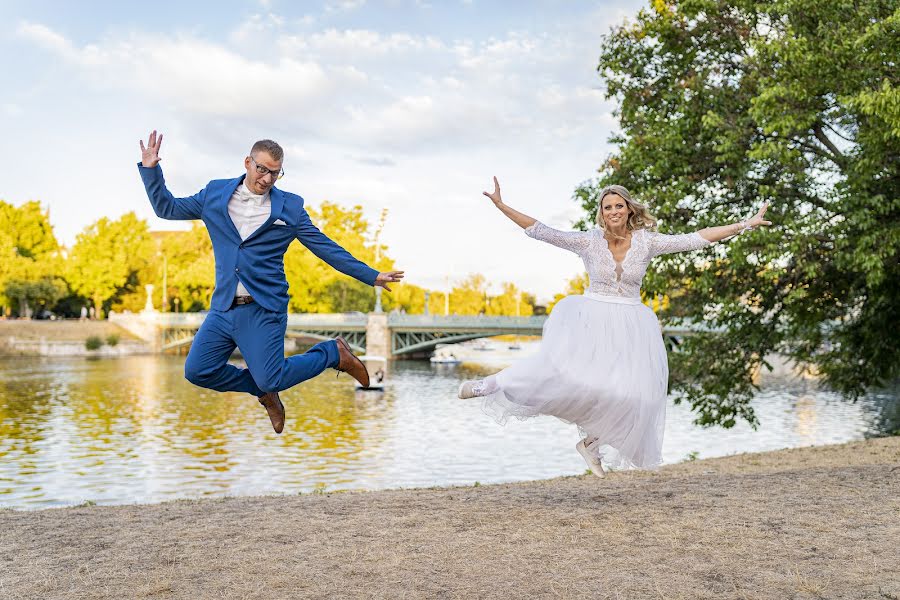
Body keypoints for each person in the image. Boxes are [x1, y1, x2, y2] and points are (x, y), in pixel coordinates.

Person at [458, 178, 771, 477]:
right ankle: (491, 385)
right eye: (607, 207)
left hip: (632, 322)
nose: (614, 211)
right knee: (562, 373)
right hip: (591, 317)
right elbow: (540, 230)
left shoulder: (647, 243)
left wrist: (745, 224)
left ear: (629, 209)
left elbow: (695, 239)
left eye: (619, 205)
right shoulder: (587, 241)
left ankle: (591, 444)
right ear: (602, 213)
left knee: (640, 398)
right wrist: (501, 205)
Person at [137, 131, 403, 434]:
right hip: (223, 307)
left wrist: (371, 275)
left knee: (271, 377)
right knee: (198, 371)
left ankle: (333, 353)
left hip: (264, 309)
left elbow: (324, 247)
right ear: (248, 163)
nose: (267, 178)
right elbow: (167, 208)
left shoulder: (289, 208)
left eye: (275, 173)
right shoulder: (215, 194)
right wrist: (151, 170)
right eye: (262, 169)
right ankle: (263, 391)